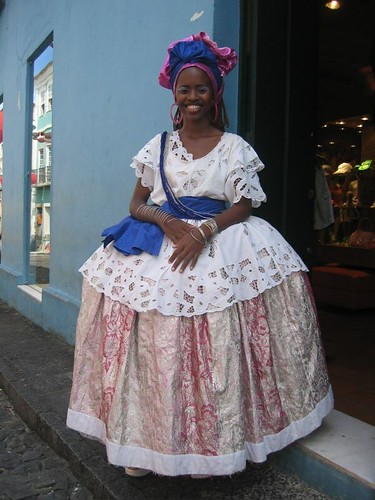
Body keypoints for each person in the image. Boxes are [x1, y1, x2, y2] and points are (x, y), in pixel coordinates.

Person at [67, 32, 333, 478]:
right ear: (175, 93)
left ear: (215, 94)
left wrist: (204, 231)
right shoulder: (158, 146)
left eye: (201, 88)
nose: (193, 97)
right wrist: (168, 223)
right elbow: (135, 204)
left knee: (218, 344)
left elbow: (243, 205)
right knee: (157, 347)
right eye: (185, 89)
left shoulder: (235, 148)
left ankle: (213, 443)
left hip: (222, 240)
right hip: (163, 241)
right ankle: (147, 444)